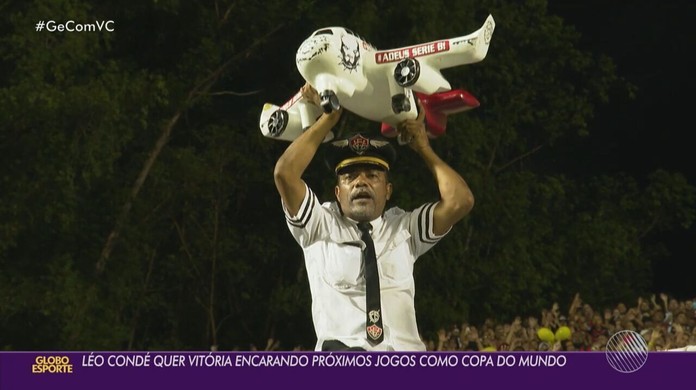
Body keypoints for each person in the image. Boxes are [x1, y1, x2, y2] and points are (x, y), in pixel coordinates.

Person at [273, 83, 474, 351]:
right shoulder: (319, 225)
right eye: (350, 176)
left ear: (388, 190)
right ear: (337, 191)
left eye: (372, 175)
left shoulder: (404, 229)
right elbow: (285, 174)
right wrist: (327, 120)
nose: (360, 183)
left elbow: (460, 201)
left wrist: (424, 148)